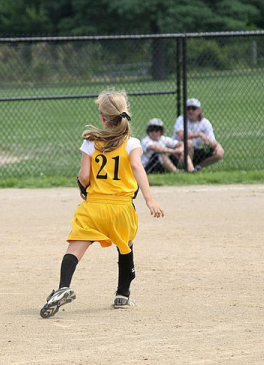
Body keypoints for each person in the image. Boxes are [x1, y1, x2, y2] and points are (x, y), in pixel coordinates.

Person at [40, 89, 164, 319]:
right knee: (125, 246)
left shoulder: (91, 142)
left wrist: (82, 183)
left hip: (93, 205)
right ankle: (122, 295)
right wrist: (149, 198)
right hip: (121, 206)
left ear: (103, 118)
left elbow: (84, 177)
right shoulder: (132, 143)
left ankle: (63, 286)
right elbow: (137, 167)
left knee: (75, 248)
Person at [173, 98, 224, 172]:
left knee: (219, 153)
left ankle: (197, 168)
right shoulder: (181, 119)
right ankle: (186, 169)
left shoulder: (205, 123)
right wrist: (199, 134)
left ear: (199, 111)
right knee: (188, 143)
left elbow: (212, 141)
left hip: (195, 151)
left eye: (193, 108)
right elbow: (181, 136)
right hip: (180, 152)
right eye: (188, 108)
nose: (190, 111)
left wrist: (218, 146)